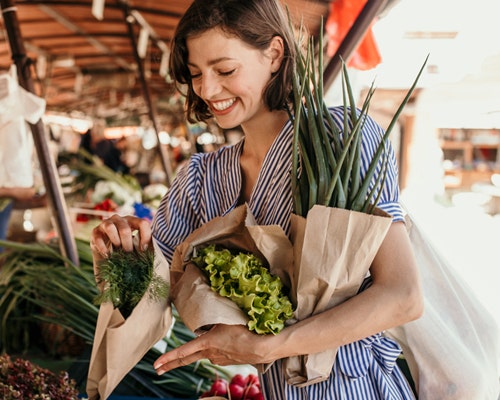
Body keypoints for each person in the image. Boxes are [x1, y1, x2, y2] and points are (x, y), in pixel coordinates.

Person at [90, 0, 423, 398]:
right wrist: (125, 251)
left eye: (225, 70)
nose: (208, 90)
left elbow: (403, 296)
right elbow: (156, 293)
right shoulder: (201, 178)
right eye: (196, 74)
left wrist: (268, 346)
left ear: (275, 54)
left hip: (357, 387)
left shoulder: (343, 138)